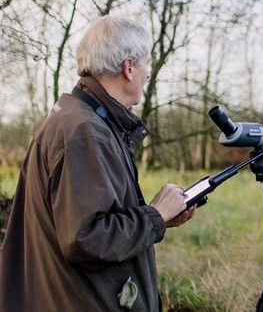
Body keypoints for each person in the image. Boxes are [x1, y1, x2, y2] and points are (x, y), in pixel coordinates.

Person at [0, 16, 195, 311]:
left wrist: (162, 216)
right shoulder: (83, 131)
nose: (148, 74)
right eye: (146, 64)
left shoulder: (83, 119)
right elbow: (86, 238)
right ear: (129, 68)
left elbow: (92, 220)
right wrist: (155, 216)